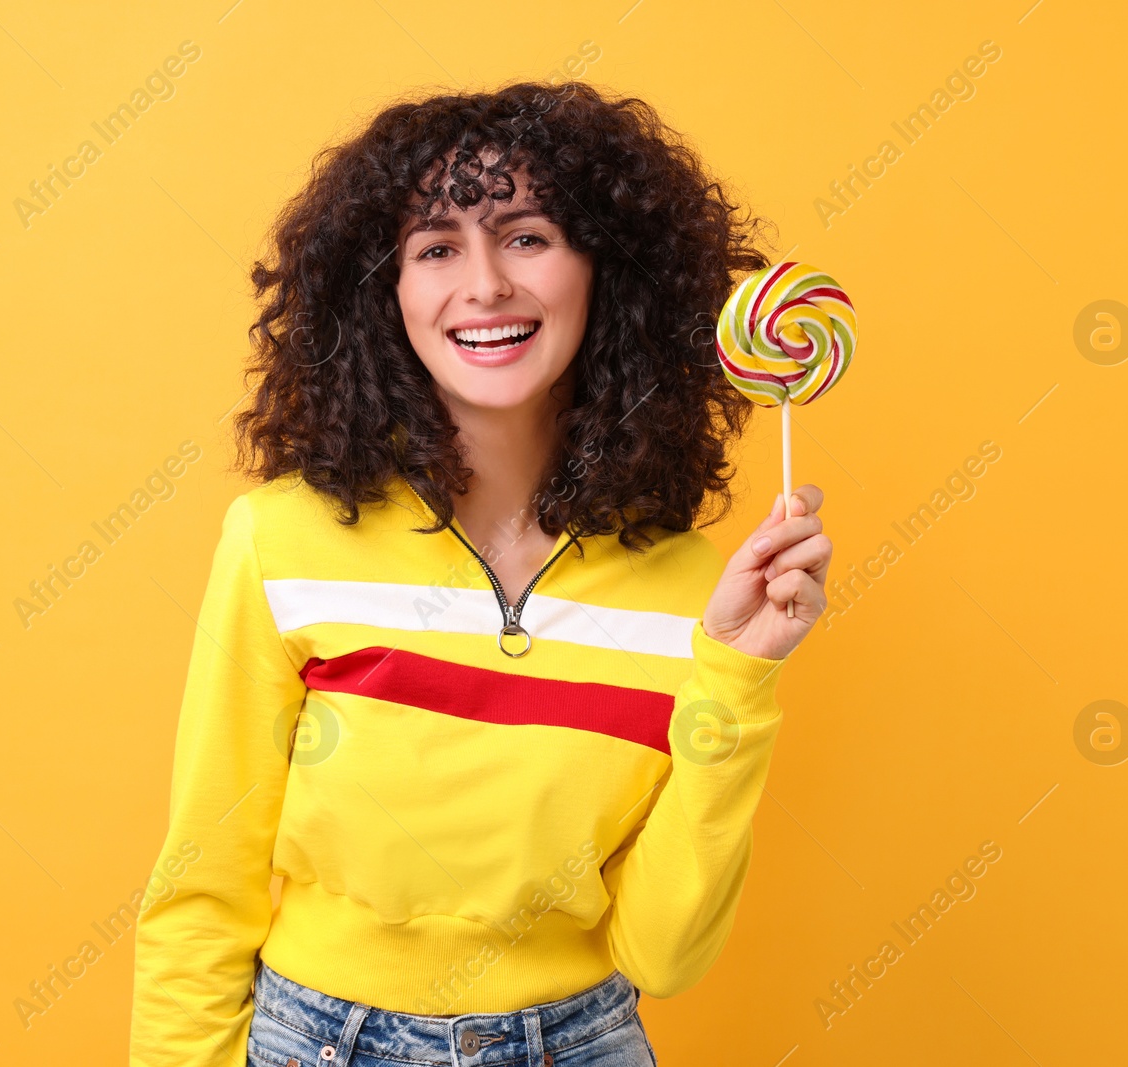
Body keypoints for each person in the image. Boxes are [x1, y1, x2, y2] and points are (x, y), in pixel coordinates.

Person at [129, 79, 832, 1067]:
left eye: (527, 236)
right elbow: (202, 891)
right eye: (436, 247)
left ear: (606, 272)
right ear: (386, 293)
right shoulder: (277, 542)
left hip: (584, 1041)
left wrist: (739, 673)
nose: (487, 282)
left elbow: (662, 954)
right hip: (318, 1040)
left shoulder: (695, 593)